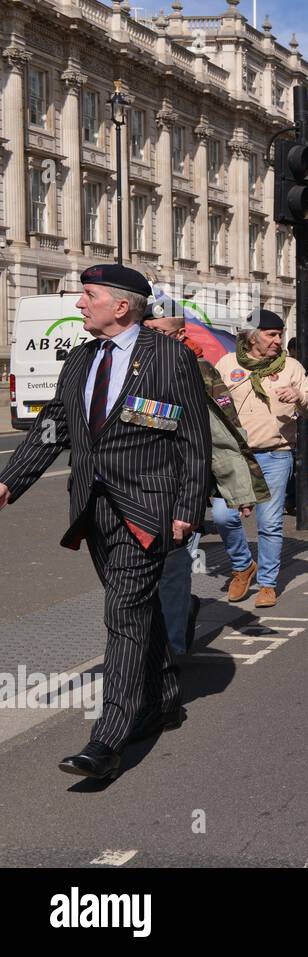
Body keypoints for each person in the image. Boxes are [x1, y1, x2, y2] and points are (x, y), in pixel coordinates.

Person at [0, 264, 211, 780]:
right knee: (138, 610)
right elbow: (52, 428)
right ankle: (163, 698)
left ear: (121, 306)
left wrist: (187, 509)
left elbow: (194, 443)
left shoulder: (170, 357)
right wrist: (9, 482)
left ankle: (108, 738)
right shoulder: (79, 360)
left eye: (87, 295)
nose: (78, 304)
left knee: (122, 615)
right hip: (94, 510)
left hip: (147, 508)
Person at [146, 310, 268, 656]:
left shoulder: (198, 371)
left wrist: (240, 488)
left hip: (182, 487)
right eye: (147, 330)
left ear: (180, 335)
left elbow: (226, 433)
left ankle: (170, 654)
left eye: (160, 331)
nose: (152, 337)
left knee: (172, 570)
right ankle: (171, 625)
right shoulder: (128, 366)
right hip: (134, 489)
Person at [212, 310, 308, 608]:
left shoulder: (291, 367)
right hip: (234, 455)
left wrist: (298, 396)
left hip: (275, 453)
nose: (278, 340)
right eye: (271, 334)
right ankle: (243, 565)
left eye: (280, 334)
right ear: (251, 336)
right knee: (223, 516)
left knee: (269, 523)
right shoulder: (227, 363)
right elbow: (213, 404)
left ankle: (268, 584)